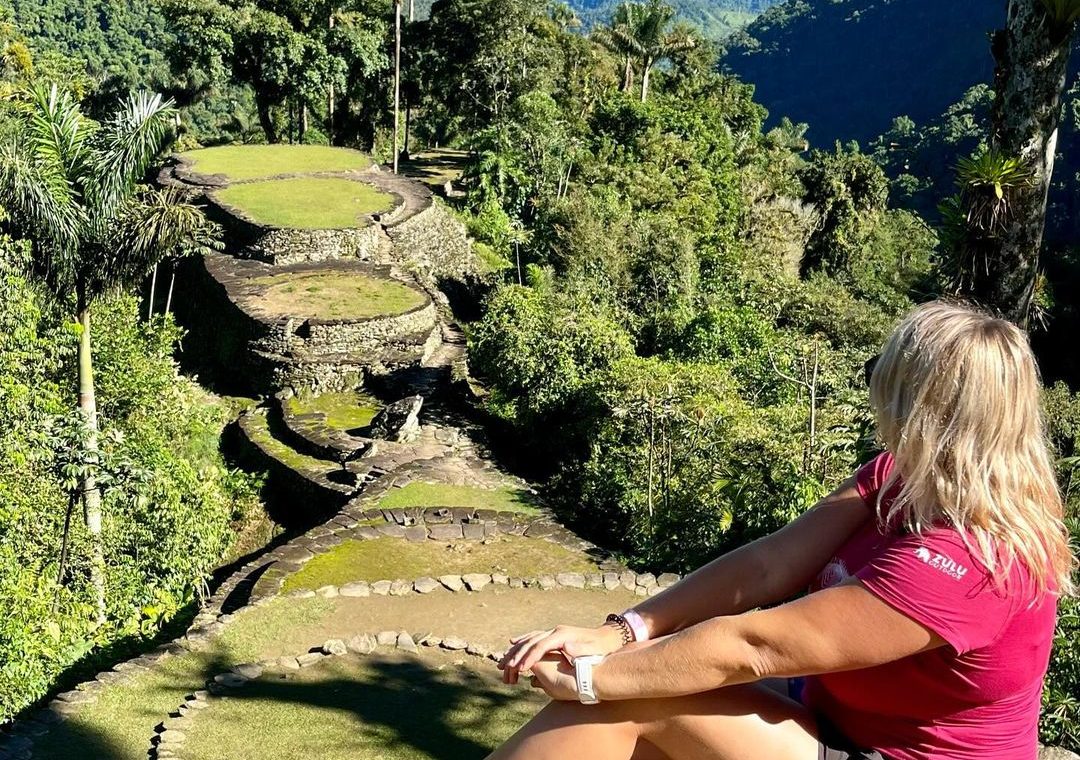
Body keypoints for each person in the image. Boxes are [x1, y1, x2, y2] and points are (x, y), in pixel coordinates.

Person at [490, 301, 1075, 760]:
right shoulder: (900, 475)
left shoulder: (974, 559)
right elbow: (769, 564)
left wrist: (590, 678)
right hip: (829, 721)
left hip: (887, 755)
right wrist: (625, 630)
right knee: (627, 708)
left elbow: (755, 647)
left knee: (623, 703)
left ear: (913, 405)